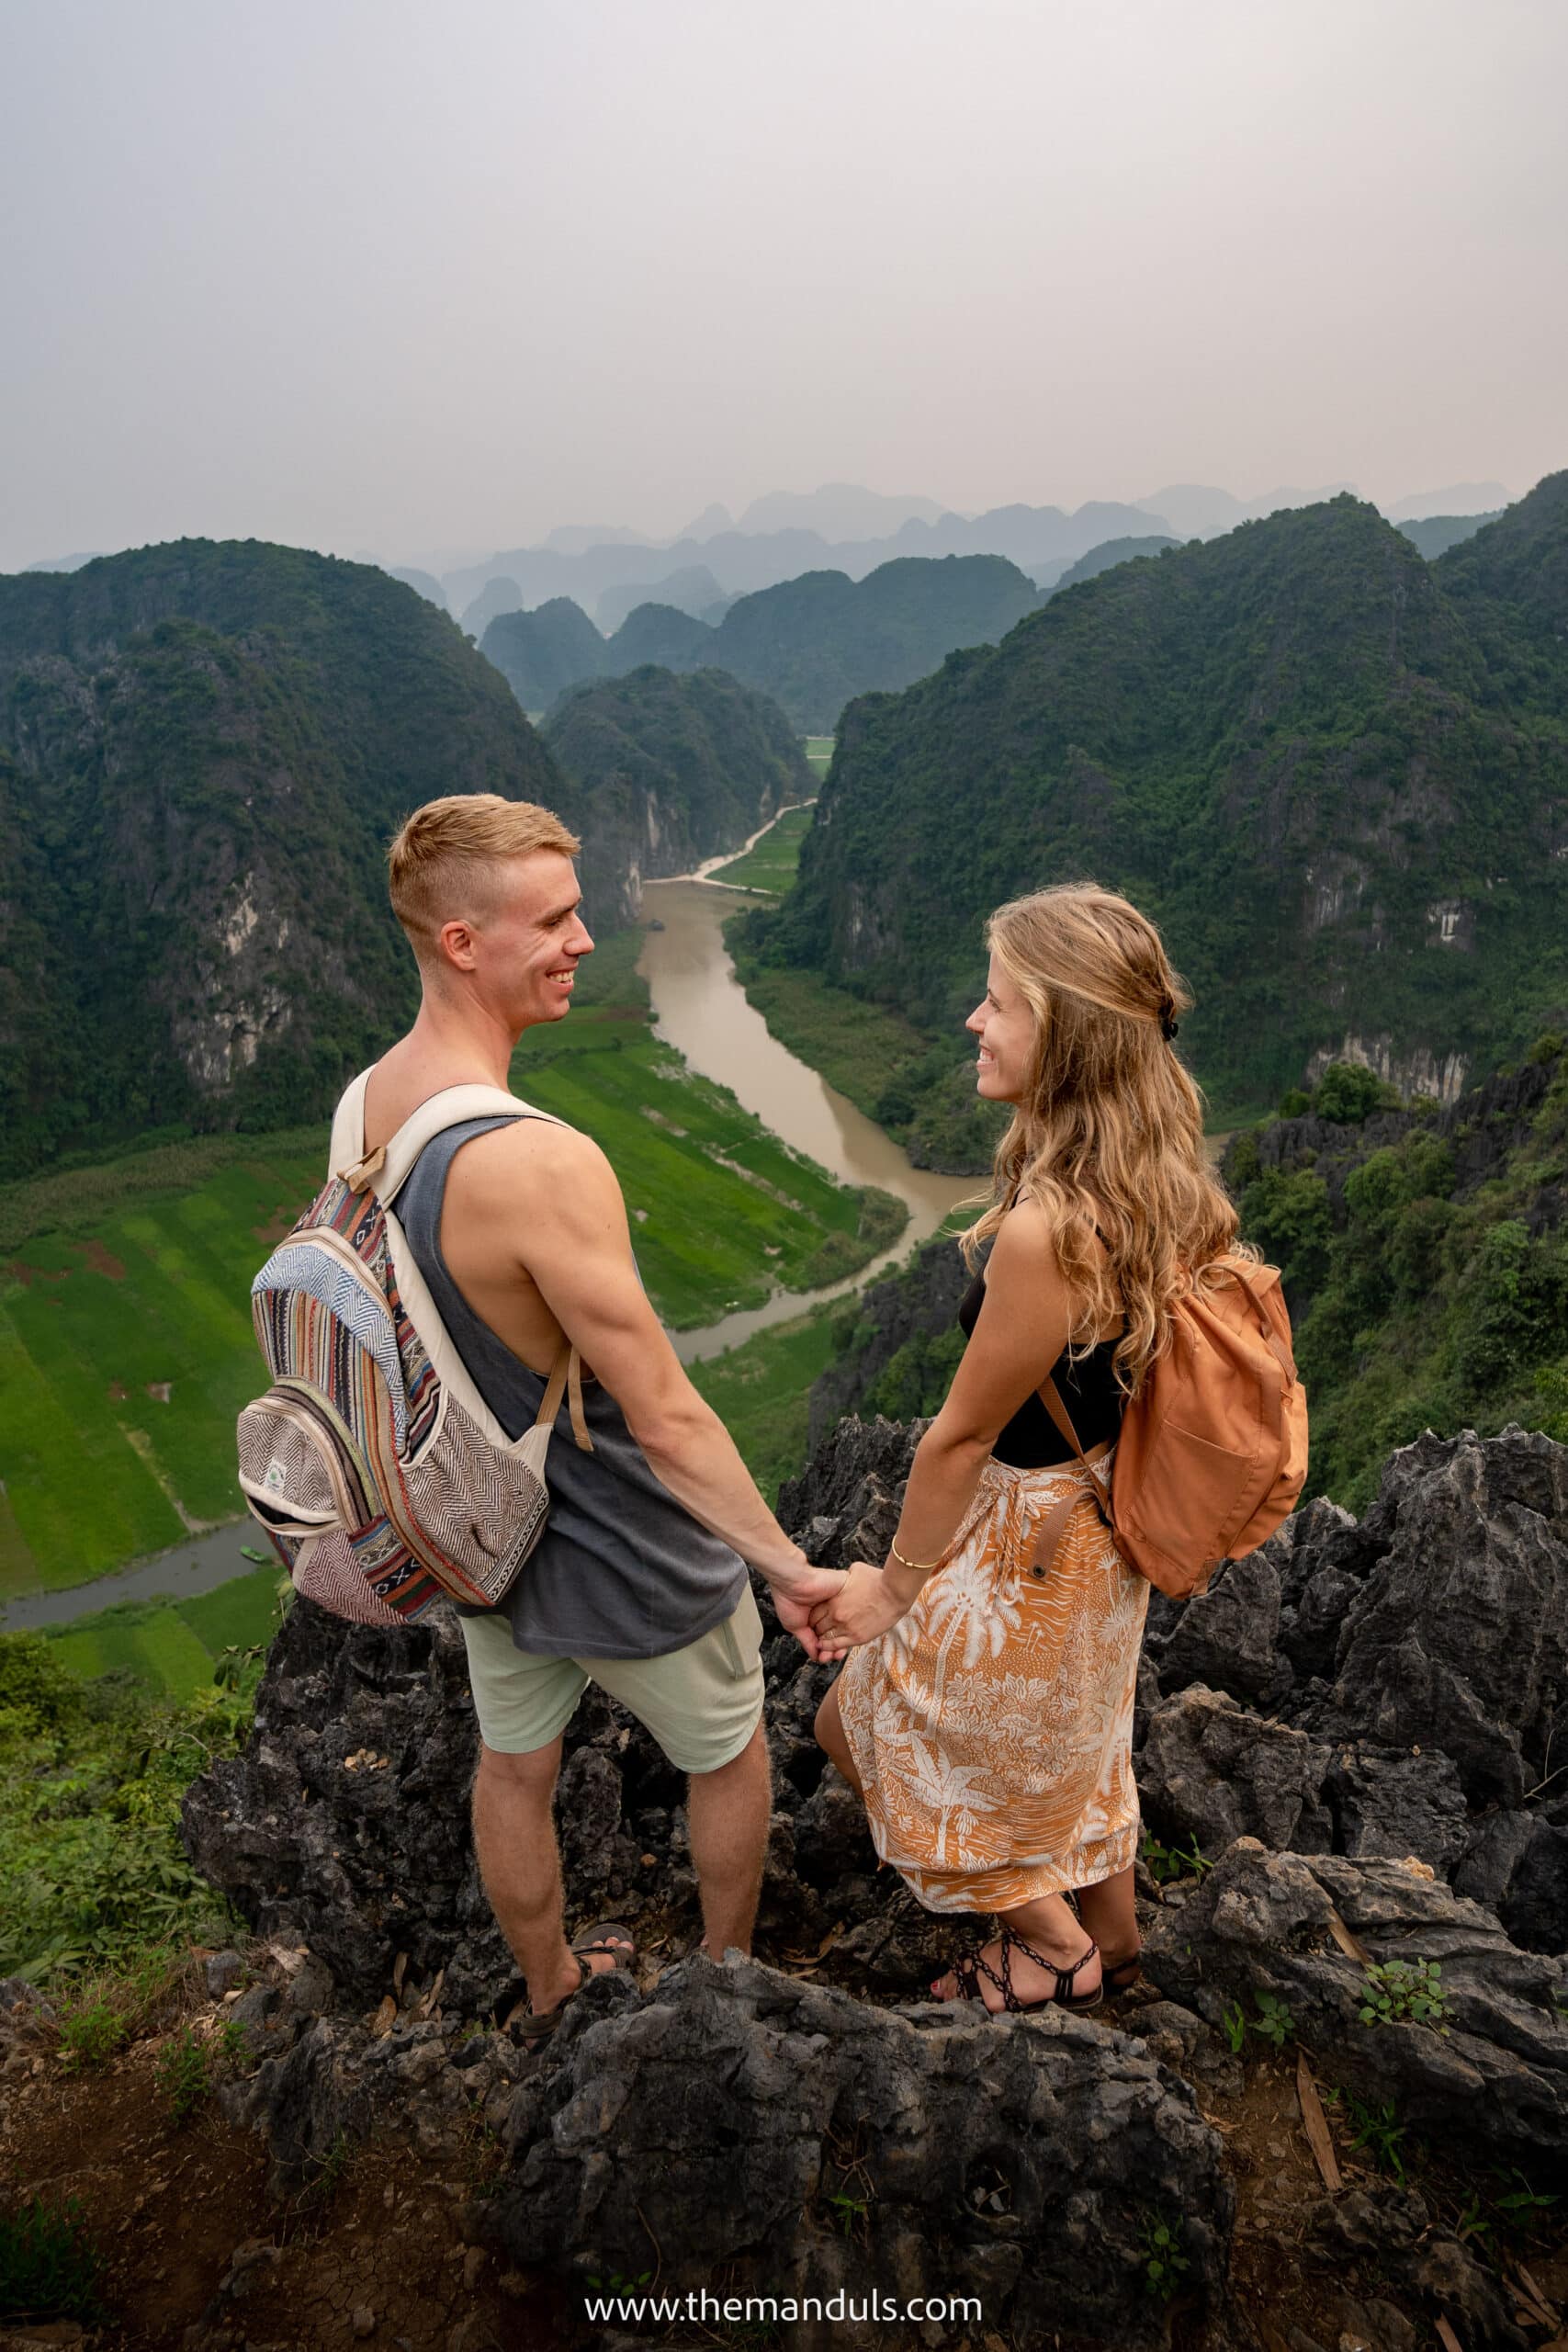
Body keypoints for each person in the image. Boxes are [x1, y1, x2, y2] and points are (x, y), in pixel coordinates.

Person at [363, 793, 843, 2031]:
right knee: (727, 1750)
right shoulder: (539, 1160)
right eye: (555, 918)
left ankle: (547, 1987)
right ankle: (724, 1986)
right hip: (620, 1539)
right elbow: (668, 1414)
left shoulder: (364, 1106)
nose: (586, 936)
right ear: (462, 942)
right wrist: (783, 1570)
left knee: (513, 1768)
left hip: (478, 1533)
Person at [811, 883, 1244, 2015]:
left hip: (1024, 1539)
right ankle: (1120, 1939)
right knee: (1076, 1741)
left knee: (859, 1719)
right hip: (1106, 1528)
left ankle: (1054, 1947)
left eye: (999, 1001)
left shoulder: (1051, 1229)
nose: (973, 1019)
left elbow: (957, 1437)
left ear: (1066, 1035)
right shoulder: (1163, 1183)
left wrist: (889, 1593)